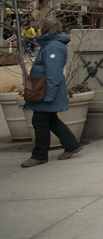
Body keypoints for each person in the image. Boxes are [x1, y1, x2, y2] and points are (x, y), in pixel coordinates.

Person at [21, 18, 83, 167]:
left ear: (46, 29)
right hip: (45, 90)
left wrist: (49, 95)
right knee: (50, 120)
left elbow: (53, 73)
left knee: (40, 122)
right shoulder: (50, 45)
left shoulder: (52, 47)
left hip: (45, 91)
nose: (37, 31)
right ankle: (71, 145)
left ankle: (40, 154)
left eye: (39, 28)